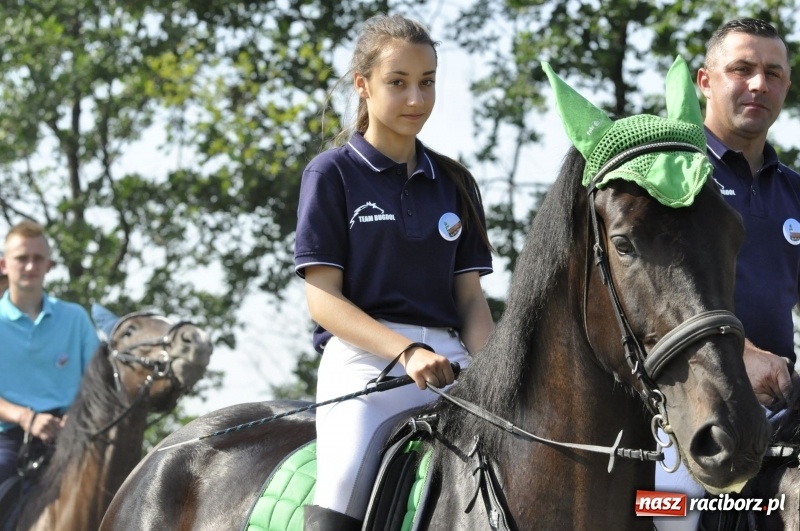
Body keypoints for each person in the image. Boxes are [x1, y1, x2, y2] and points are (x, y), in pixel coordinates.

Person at [293, 13, 495, 530]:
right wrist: (405, 351)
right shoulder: (331, 174)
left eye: (427, 83)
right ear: (362, 85)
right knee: (340, 488)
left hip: (453, 363)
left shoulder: (454, 182)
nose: (416, 100)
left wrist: (496, 368)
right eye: (398, 83)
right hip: (365, 365)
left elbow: (470, 300)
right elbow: (324, 300)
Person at [656, 17, 796, 531]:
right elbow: (652, 300)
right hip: (680, 410)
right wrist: (741, 354)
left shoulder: (795, 192)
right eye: (742, 69)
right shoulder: (668, 177)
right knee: (673, 514)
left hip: (781, 408)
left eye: (774, 73)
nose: (760, 84)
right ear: (704, 81)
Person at [0, 220, 100, 487]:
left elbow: (98, 383)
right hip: (8, 439)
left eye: (38, 258)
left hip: (73, 433)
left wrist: (77, 415)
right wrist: (26, 418)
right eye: (22, 258)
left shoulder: (75, 318)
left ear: (49, 266)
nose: (30, 266)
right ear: (3, 265)